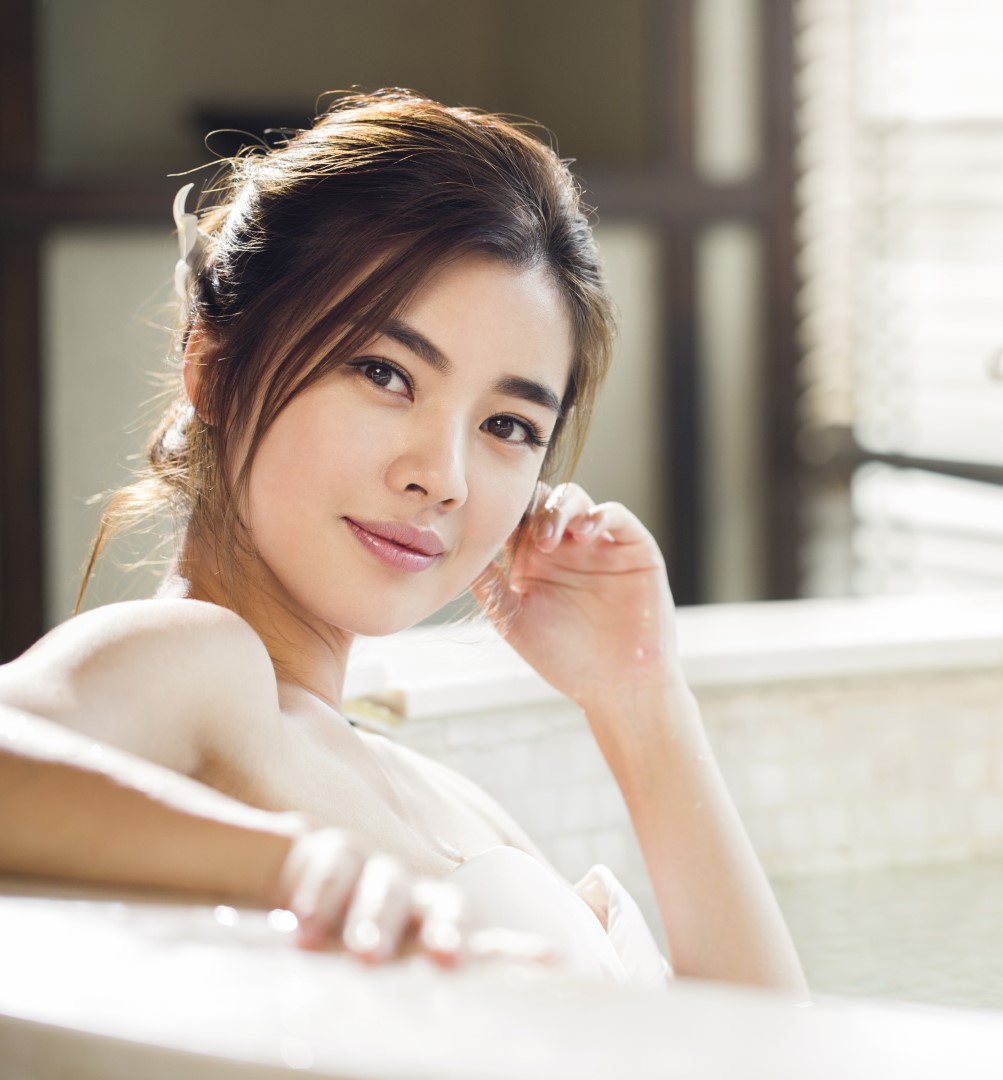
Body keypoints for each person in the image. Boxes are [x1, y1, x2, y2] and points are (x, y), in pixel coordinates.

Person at [0, 88, 807, 997]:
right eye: (386, 373)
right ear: (215, 368)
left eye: (507, 425)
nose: (445, 475)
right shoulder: (199, 663)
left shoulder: (456, 807)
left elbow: (769, 1055)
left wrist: (640, 698)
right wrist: (292, 871)